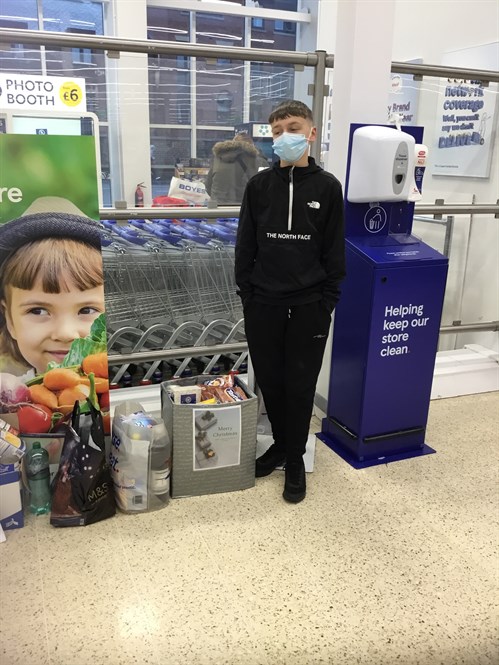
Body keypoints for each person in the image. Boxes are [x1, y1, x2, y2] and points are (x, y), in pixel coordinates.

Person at [235, 100, 346, 504]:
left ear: (311, 133)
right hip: (262, 302)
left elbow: (335, 253)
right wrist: (247, 296)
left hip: (309, 306)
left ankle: (295, 459)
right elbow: (245, 247)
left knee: (300, 385)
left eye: (293, 128)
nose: (284, 136)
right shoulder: (259, 187)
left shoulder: (328, 187)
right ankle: (281, 445)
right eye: (277, 131)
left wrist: (326, 301)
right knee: (272, 383)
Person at [0, 203, 104, 378]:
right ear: (10, 320)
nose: (65, 333)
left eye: (87, 310)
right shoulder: (11, 398)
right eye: (38, 311)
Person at [205, 132, 267, 206]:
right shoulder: (259, 161)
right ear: (252, 146)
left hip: (218, 208)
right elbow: (266, 188)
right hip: (245, 208)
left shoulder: (218, 159)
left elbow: (208, 185)